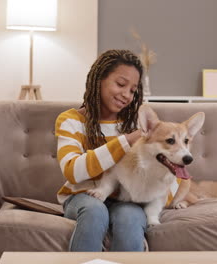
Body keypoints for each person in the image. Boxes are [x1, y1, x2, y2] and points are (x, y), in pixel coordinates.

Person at [55, 49, 146, 251]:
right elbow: (72, 170)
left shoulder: (133, 124)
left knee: (130, 217)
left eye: (133, 90)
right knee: (95, 210)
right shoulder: (71, 120)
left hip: (123, 199)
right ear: (99, 80)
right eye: (121, 84)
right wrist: (126, 141)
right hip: (81, 196)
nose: (126, 95)